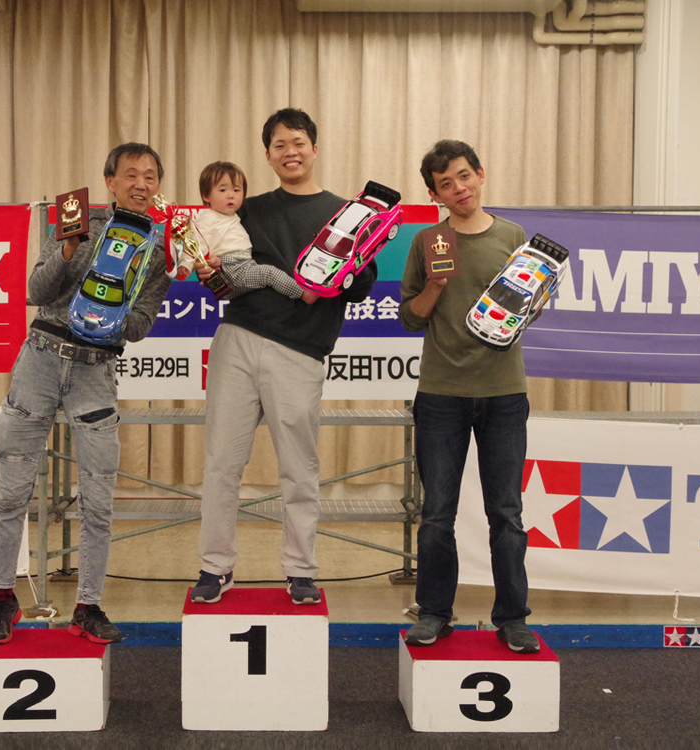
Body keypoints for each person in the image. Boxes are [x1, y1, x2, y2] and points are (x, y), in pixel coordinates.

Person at [0, 143, 171, 645]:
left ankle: (88, 606)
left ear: (158, 187)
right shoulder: (75, 223)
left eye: (150, 177)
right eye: (130, 174)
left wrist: (109, 315)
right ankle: (2, 599)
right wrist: (68, 251)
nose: (140, 184)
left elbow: (141, 325)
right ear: (110, 182)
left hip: (95, 370)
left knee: (98, 499)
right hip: (40, 359)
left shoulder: (157, 251)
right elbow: (36, 291)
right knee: (12, 491)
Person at [190, 109, 377, 605]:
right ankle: (215, 566)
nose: (289, 152)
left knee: (299, 467)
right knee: (221, 462)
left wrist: (350, 264)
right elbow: (223, 281)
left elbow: (361, 287)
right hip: (238, 340)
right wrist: (210, 273)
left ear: (314, 148)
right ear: (268, 155)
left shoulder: (346, 214)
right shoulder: (245, 210)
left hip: (301, 351)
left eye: (297, 142)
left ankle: (300, 570)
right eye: (279, 145)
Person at [399, 139, 539, 654]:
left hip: (504, 393)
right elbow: (409, 317)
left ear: (481, 174)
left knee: (507, 513)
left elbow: (528, 306)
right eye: (445, 184)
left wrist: (528, 307)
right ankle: (435, 613)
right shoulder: (427, 241)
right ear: (434, 195)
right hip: (441, 394)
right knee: (438, 513)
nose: (458, 188)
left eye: (463, 176)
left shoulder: (513, 236)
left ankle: (513, 618)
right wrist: (436, 286)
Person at [172, 161, 317, 305]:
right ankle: (304, 293)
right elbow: (194, 245)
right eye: (222, 190)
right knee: (269, 273)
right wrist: (186, 265)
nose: (231, 195)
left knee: (267, 281)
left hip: (240, 266)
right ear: (206, 196)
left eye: (236, 190)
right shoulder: (207, 219)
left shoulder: (231, 215)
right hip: (232, 269)